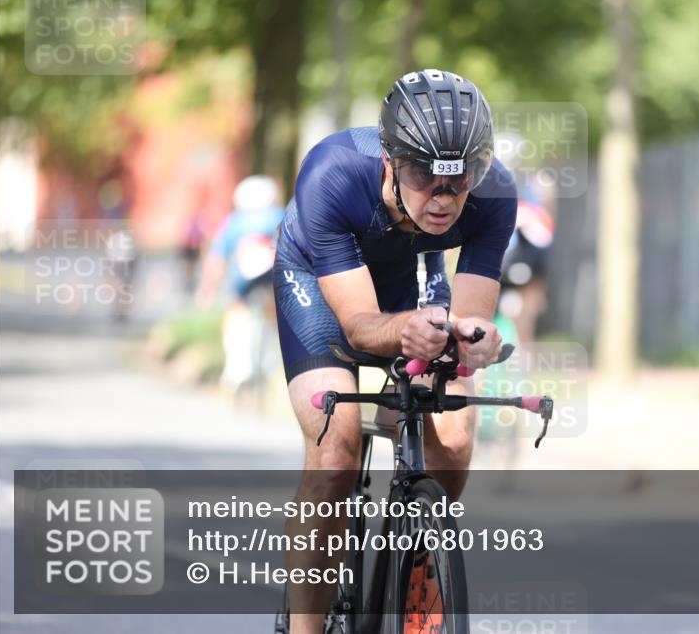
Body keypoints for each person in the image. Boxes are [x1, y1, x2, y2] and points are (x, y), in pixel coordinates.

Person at [273, 69, 516, 632]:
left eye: (462, 178)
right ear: (390, 161)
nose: (444, 197)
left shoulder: (495, 195)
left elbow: (470, 320)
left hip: (412, 278)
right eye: (424, 175)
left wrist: (473, 341)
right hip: (319, 284)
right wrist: (409, 328)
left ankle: (418, 570)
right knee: (335, 452)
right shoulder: (334, 172)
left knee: (452, 441)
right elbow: (360, 327)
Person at [196, 175, 285, 391]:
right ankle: (272, 363)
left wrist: (207, 290)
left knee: (236, 310)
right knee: (275, 313)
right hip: (274, 277)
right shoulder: (279, 217)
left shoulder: (234, 222)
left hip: (241, 279)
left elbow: (217, 259)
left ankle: (237, 369)